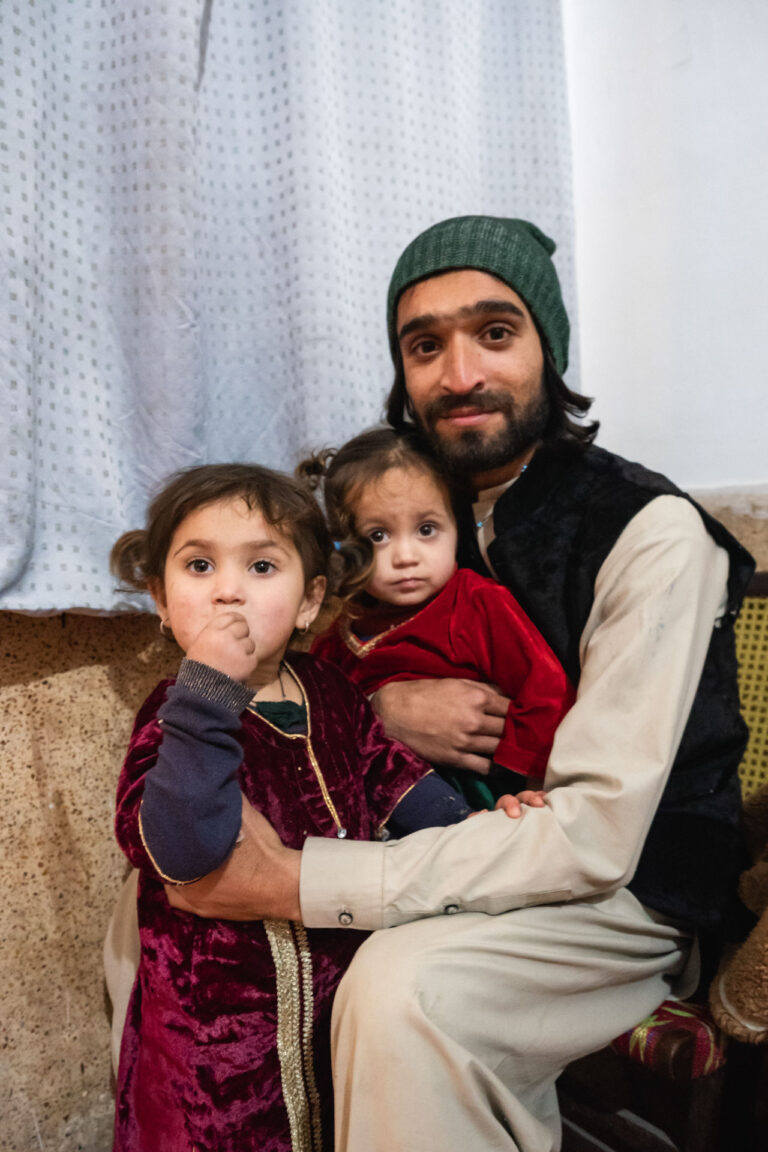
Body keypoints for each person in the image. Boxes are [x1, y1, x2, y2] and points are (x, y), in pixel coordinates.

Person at [163, 216, 755, 1152]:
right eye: (424, 345)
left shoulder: (650, 533)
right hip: (453, 844)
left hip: (624, 893)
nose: (461, 373)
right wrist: (380, 712)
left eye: (495, 332)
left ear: (547, 352)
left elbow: (597, 837)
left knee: (406, 996)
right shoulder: (392, 507)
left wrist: (298, 880)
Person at [109, 461, 523, 1152]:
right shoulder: (175, 717)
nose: (229, 592)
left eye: (262, 567)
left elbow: (397, 783)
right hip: (213, 1059)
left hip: (337, 1015)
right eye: (199, 566)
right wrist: (208, 694)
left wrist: (483, 830)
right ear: (160, 598)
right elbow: (180, 850)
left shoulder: (329, 690)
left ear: (310, 601)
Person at [303, 426, 574, 806]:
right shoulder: (335, 637)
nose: (406, 556)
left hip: (477, 796)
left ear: (456, 527)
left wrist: (524, 779)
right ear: (346, 547)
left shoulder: (477, 604)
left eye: (426, 529)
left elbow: (546, 689)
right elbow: (315, 723)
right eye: (378, 536)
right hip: (374, 810)